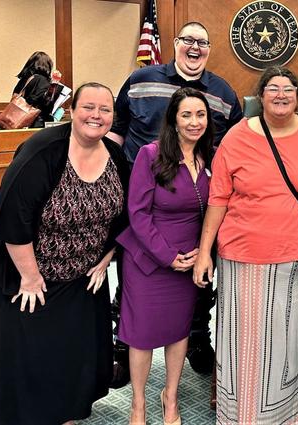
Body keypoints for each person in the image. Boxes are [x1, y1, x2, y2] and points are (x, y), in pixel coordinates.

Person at [193, 66, 298, 425]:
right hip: (241, 257)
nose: (281, 95)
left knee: (284, 348)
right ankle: (239, 417)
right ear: (260, 96)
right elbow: (218, 199)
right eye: (273, 88)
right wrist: (203, 253)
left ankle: (281, 417)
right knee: (242, 345)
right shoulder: (236, 137)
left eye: (289, 89)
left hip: (295, 260)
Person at [0, 82, 130, 424]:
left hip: (80, 279)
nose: (96, 115)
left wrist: (106, 258)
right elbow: (12, 218)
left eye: (105, 109)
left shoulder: (115, 155)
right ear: (71, 111)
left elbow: (123, 215)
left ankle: (66, 415)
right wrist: (31, 279)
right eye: (88, 107)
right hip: (28, 275)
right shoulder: (42, 152)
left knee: (70, 359)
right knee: (29, 361)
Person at [108, 21, 243, 377]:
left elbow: (233, 146)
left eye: (203, 42)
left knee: (196, 281)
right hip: (139, 194)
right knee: (135, 280)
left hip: (194, 201)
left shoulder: (224, 93)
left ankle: (198, 337)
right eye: (188, 40)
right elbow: (116, 131)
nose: (195, 47)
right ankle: (125, 345)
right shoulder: (140, 80)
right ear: (175, 43)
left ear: (210, 49)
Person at [116, 87, 214, 425]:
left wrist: (205, 249)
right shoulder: (151, 155)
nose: (194, 121)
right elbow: (138, 213)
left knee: (178, 330)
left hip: (190, 262)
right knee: (142, 334)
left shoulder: (210, 158)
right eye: (186, 114)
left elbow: (216, 210)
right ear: (173, 119)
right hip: (149, 260)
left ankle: (170, 397)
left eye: (200, 114)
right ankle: (138, 404)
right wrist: (168, 256)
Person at [13, 51, 55, 127]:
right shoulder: (41, 80)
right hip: (35, 122)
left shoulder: (23, 80)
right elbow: (38, 101)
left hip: (17, 120)